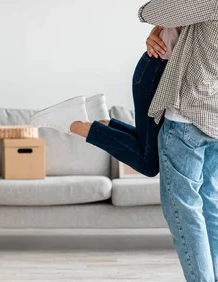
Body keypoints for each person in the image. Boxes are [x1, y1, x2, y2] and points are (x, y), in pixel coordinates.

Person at [30, 0, 218, 282]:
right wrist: (157, 31)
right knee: (211, 206)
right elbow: (182, 28)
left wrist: (156, 25)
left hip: (189, 112)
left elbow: (151, 10)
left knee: (184, 210)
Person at [29, 27, 180, 177]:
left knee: (147, 149)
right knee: (150, 164)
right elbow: (159, 13)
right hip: (158, 71)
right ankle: (74, 122)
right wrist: (158, 30)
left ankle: (101, 122)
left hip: (160, 70)